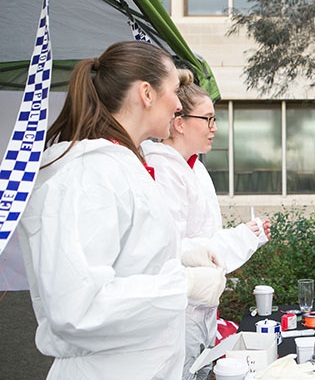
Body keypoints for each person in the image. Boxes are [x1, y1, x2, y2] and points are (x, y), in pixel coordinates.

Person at [17, 41, 223, 380]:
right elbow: (78, 307)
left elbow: (128, 261)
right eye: (173, 91)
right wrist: (183, 285)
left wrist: (182, 253)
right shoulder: (88, 176)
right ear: (146, 93)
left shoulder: (120, 165)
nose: (177, 104)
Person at [141, 69, 271, 379]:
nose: (214, 128)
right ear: (180, 122)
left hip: (201, 308)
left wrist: (246, 236)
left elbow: (204, 238)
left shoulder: (194, 167)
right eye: (208, 119)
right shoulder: (162, 168)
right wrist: (241, 238)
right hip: (178, 313)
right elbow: (171, 247)